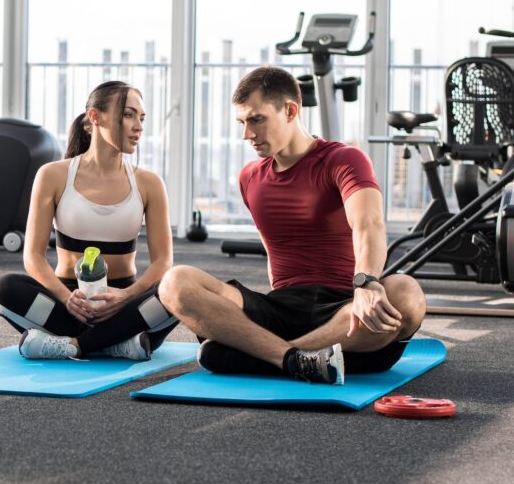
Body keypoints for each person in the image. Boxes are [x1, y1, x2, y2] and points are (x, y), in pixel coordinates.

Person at [158, 66, 426, 384]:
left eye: (257, 119)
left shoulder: (344, 159)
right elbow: (277, 255)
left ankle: (268, 357)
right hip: (281, 309)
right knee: (174, 283)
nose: (247, 134)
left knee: (406, 294)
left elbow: (368, 223)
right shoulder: (250, 177)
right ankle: (293, 359)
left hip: (345, 310)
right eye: (242, 123)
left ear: (290, 110)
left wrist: (366, 284)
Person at [0, 80, 177, 360]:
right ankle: (116, 343)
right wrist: (67, 299)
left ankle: (76, 345)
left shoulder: (149, 183)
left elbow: (163, 262)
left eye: (141, 118)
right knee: (5, 289)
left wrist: (126, 297)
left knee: (180, 290)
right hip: (67, 300)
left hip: (125, 300)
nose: (138, 126)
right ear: (95, 117)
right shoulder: (53, 175)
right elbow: (33, 257)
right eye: (128, 115)